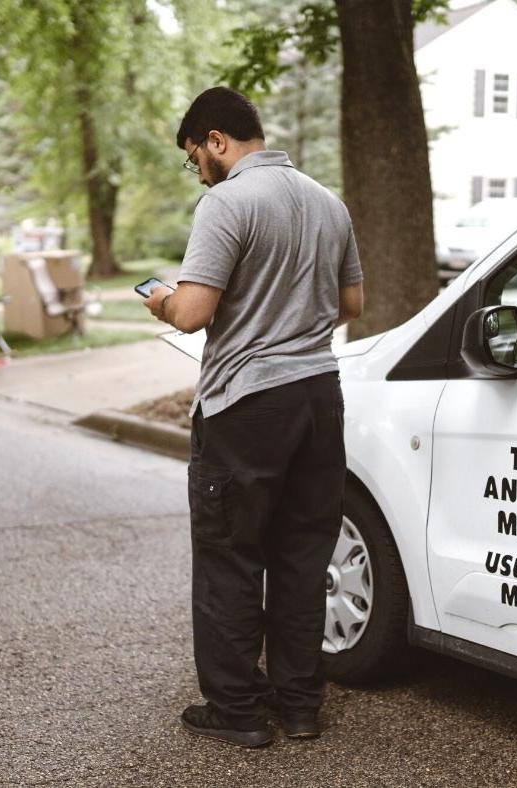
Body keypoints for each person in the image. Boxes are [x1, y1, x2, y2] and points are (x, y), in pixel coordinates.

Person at [143, 87, 364, 748]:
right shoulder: (328, 203)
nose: (199, 171)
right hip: (317, 397)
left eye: (194, 157)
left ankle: (237, 709)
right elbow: (350, 302)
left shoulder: (227, 201)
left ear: (215, 140)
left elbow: (191, 313)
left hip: (245, 404)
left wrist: (158, 296)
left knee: (229, 556)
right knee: (302, 554)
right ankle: (299, 704)